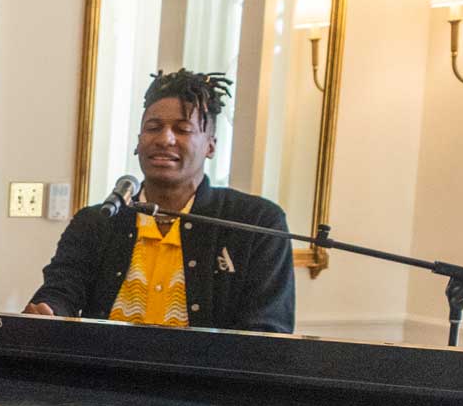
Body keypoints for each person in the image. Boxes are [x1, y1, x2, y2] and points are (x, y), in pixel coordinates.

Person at [25, 70, 293, 332]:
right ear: (138, 142)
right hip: (104, 373)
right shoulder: (97, 221)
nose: (165, 139)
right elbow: (62, 289)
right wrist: (50, 310)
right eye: (153, 128)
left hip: (205, 376)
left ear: (211, 145)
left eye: (183, 129)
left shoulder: (257, 222)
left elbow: (267, 329)